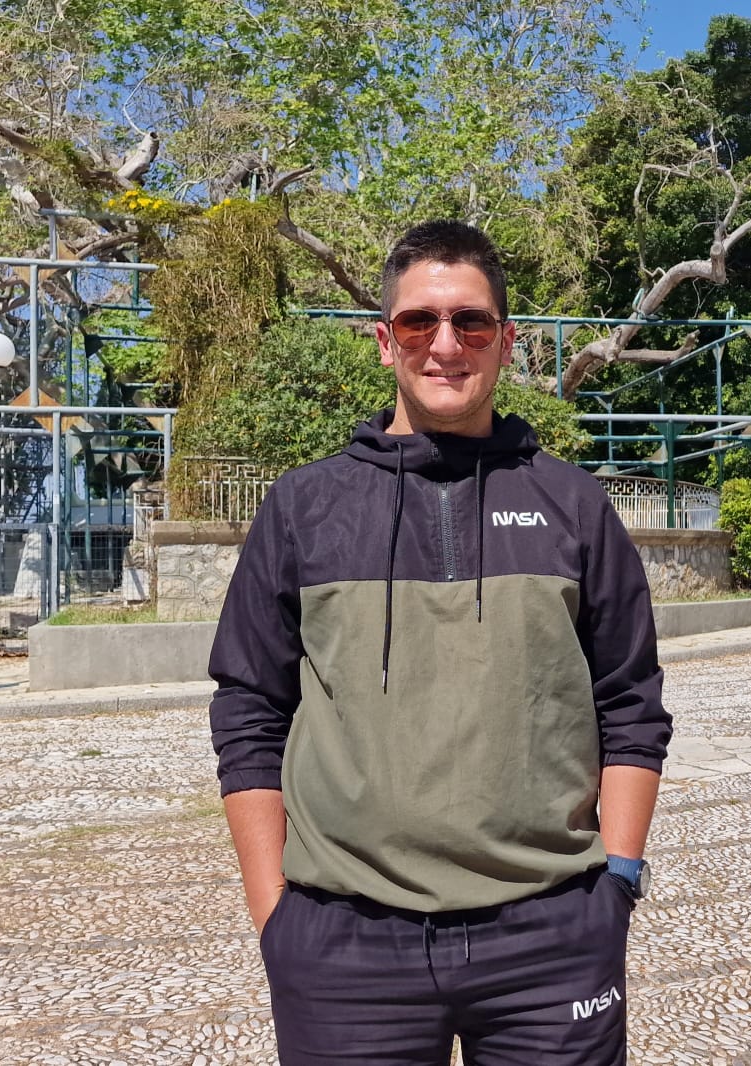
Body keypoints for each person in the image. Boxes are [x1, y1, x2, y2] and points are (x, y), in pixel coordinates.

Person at [208, 220, 672, 1066]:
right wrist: (274, 911)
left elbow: (631, 702)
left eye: (472, 323)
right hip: (344, 946)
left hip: (552, 937)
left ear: (508, 341)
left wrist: (619, 882)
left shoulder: (573, 505)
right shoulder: (304, 507)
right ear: (386, 341)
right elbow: (249, 709)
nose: (446, 345)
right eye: (419, 321)